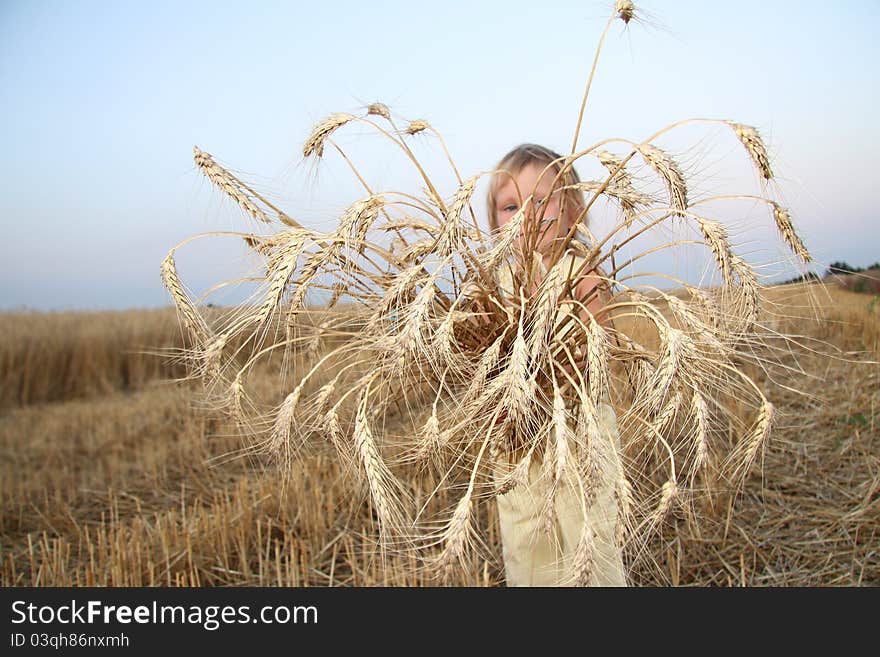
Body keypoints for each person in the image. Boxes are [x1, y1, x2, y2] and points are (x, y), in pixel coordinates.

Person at [486, 143, 628, 587]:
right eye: (511, 206)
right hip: (517, 443)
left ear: (571, 210)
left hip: (578, 436)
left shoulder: (578, 270)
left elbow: (596, 349)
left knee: (589, 544)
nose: (527, 215)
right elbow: (482, 351)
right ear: (495, 222)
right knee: (527, 551)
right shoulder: (499, 282)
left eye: (541, 200)